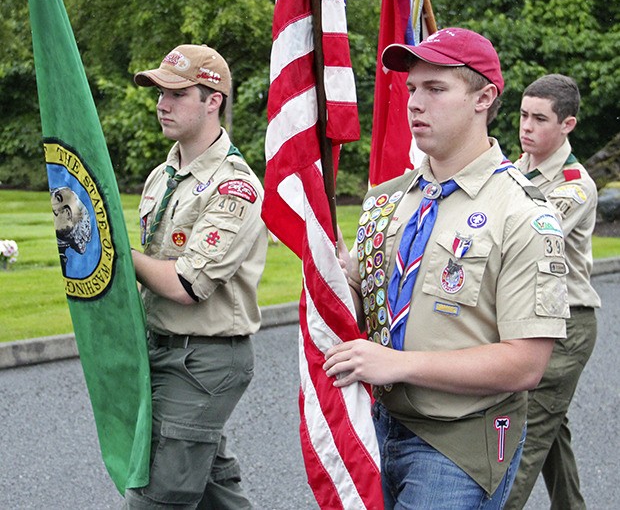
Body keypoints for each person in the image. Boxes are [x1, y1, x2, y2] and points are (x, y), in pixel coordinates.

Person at [323, 28, 570, 509]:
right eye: (412, 88)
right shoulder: (388, 200)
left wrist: (399, 365)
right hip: (374, 423)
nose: (415, 103)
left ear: (484, 97)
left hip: (460, 441)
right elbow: (366, 308)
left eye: (436, 89)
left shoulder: (522, 214)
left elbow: (526, 363)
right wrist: (336, 278)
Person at [126, 44, 268, 509]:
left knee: (155, 500)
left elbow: (188, 285)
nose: (161, 104)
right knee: (216, 496)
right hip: (163, 350)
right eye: (159, 93)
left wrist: (116, 255)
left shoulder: (235, 186)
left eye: (177, 93)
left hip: (203, 360)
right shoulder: (162, 175)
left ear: (213, 100)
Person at [504, 74, 600, 510]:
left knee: (523, 443)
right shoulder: (511, 170)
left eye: (539, 118)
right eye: (523, 115)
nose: (526, 126)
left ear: (568, 125)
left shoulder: (575, 184)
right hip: (530, 316)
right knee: (550, 428)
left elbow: (529, 238)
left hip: (565, 324)